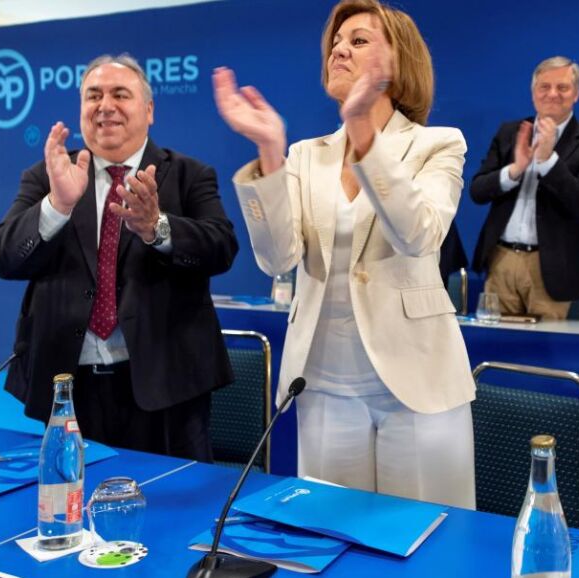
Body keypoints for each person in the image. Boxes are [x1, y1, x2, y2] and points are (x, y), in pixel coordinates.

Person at [213, 0, 475, 508]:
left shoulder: (438, 144)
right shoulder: (303, 154)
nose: (339, 50)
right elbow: (277, 259)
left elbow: (419, 235)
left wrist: (363, 133)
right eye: (335, 43)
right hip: (325, 386)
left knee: (420, 537)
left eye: (358, 40)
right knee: (333, 532)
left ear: (397, 62)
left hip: (417, 384)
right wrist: (270, 151)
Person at [0, 55, 238, 461]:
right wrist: (55, 207)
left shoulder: (189, 174)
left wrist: (157, 227)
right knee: (70, 495)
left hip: (168, 386)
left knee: (170, 497)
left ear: (149, 110)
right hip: (68, 386)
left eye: (120, 94)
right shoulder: (48, 175)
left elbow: (221, 248)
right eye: (93, 96)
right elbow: (3, 256)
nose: (105, 106)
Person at [470, 56, 579, 320]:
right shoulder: (510, 132)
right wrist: (515, 170)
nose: (552, 94)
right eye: (544, 87)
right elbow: (477, 191)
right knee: (496, 342)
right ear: (534, 92)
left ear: (576, 94)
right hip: (501, 260)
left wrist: (548, 162)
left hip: (551, 268)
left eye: (562, 87)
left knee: (545, 345)